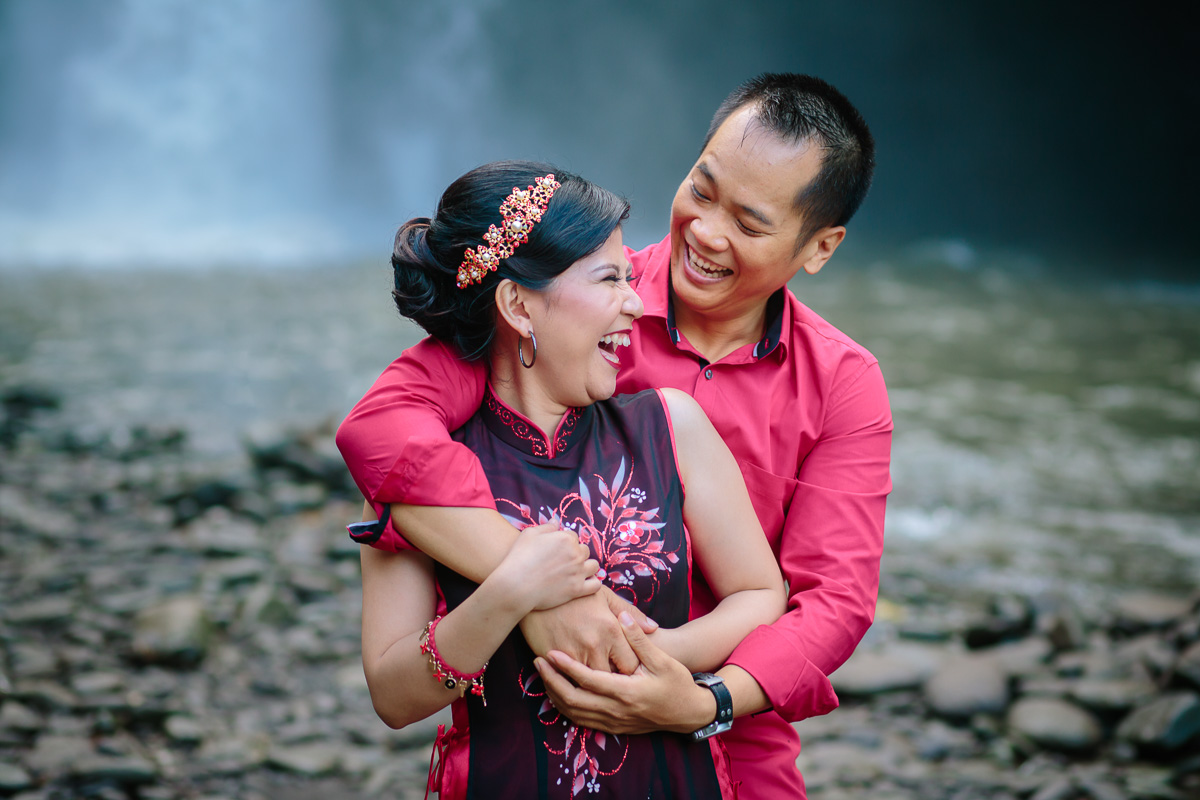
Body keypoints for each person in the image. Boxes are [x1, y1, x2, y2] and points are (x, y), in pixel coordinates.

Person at [338, 73, 891, 798]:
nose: (706, 231)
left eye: (750, 224)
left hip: (733, 740)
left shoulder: (841, 382)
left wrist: (701, 698)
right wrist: (545, 589)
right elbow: (386, 429)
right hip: (520, 745)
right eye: (702, 188)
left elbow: (833, 601)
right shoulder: (569, 299)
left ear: (819, 247)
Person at [355, 160, 786, 798]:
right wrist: (511, 594)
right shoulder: (424, 468)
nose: (637, 305)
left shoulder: (672, 427)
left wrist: (660, 663)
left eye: (631, 278)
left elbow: (759, 593)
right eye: (610, 278)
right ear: (518, 304)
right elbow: (393, 696)